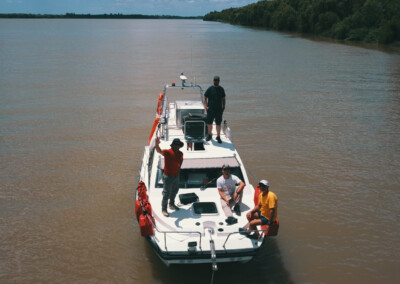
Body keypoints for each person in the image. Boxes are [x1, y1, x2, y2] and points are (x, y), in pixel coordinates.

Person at [155, 137, 184, 217]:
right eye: (175, 144)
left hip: (176, 175)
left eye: (178, 145)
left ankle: (171, 204)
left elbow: (180, 163)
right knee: (166, 193)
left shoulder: (181, 153)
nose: (177, 146)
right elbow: (159, 151)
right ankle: (164, 209)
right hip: (168, 177)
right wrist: (156, 144)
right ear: (173, 145)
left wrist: (177, 171)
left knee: (175, 191)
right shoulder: (167, 152)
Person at [203, 75, 226, 144]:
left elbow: (223, 98)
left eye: (217, 80)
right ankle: (210, 135)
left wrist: (224, 106)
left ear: (219, 81)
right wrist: (206, 106)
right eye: (215, 80)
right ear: (213, 81)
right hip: (210, 109)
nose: (216, 81)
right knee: (209, 123)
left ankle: (218, 136)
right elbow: (205, 97)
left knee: (218, 124)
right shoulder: (210, 89)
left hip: (219, 110)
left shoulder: (221, 89)